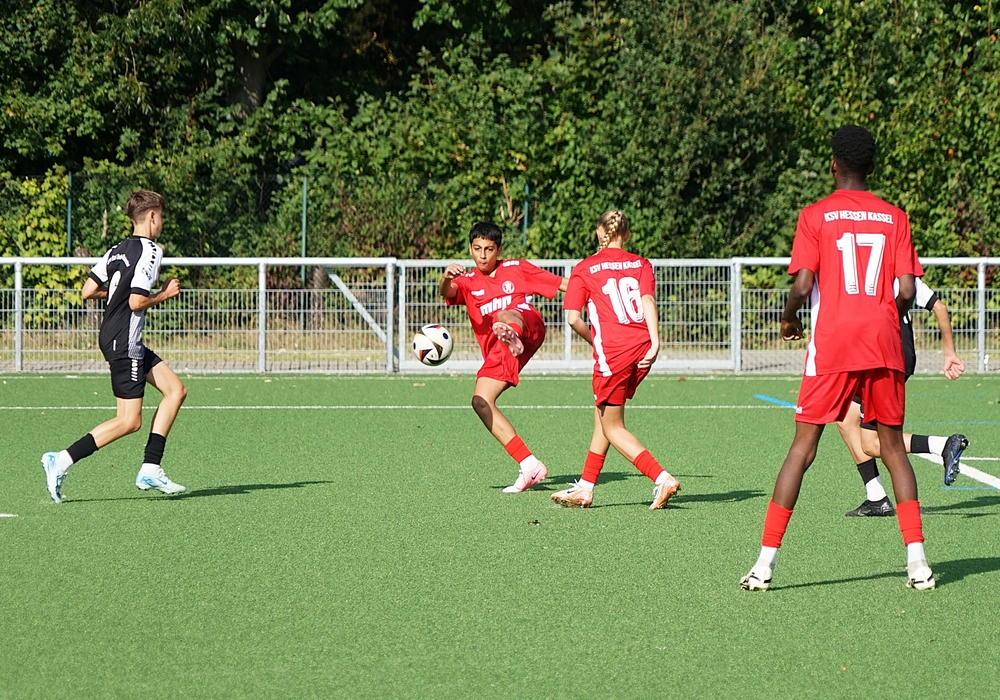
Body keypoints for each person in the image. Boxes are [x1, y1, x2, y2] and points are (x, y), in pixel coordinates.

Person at [741, 125, 935, 591]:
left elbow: (804, 284)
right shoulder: (895, 217)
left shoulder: (815, 215)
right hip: (883, 342)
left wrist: (788, 319)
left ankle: (764, 566)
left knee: (802, 448)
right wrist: (885, 317)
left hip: (833, 343)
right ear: (872, 167)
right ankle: (918, 564)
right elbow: (908, 290)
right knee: (893, 449)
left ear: (833, 165)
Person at [41, 190, 188, 503]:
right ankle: (61, 459)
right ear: (151, 216)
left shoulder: (116, 250)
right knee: (129, 420)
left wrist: (117, 294)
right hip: (125, 339)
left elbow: (87, 290)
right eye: (161, 217)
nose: (161, 223)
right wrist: (164, 294)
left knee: (175, 390)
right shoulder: (151, 250)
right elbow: (135, 301)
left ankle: (151, 467)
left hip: (115, 335)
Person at [551, 211, 680, 509]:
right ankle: (585, 487)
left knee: (613, 426)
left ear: (600, 232)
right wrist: (655, 341)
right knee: (603, 415)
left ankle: (662, 478)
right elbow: (648, 300)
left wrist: (594, 340)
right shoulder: (641, 263)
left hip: (614, 352)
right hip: (642, 347)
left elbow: (572, 319)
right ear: (628, 234)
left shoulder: (585, 268)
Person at [439, 221, 568, 493]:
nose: (483, 255)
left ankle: (511, 332)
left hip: (529, 326)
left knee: (505, 314)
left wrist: (594, 295)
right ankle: (529, 464)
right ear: (470, 249)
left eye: (489, 249)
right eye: (477, 249)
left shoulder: (515, 268)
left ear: (499, 250)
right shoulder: (468, 281)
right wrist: (446, 277)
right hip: (502, 349)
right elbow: (447, 293)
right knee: (481, 402)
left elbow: (559, 284)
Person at [838, 278, 968, 517]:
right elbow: (939, 307)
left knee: (871, 443)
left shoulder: (885, 275)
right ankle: (876, 497)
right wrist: (949, 352)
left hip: (884, 360)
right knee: (845, 417)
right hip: (881, 356)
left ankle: (941, 445)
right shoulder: (899, 275)